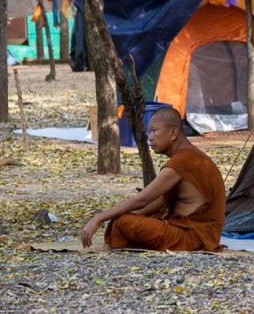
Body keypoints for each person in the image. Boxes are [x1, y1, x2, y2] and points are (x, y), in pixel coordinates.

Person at [80, 107, 226, 251]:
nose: (150, 137)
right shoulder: (189, 156)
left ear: (173, 133)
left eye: (154, 130)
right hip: (201, 234)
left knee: (122, 222)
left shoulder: (183, 161)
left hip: (191, 237)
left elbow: (141, 200)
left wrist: (98, 218)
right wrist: (127, 212)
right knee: (129, 216)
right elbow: (158, 202)